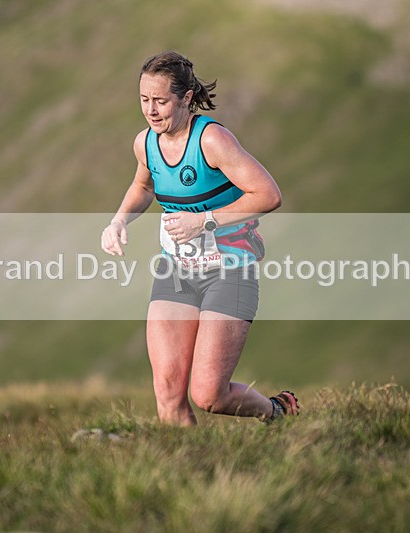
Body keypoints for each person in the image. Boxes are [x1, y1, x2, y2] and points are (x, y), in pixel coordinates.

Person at [101, 51, 299, 426]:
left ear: (186, 98)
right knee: (168, 392)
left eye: (161, 101)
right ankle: (185, 472)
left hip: (230, 271)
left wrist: (205, 222)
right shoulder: (146, 143)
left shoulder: (212, 140)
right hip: (176, 271)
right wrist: (119, 221)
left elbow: (268, 195)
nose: (151, 110)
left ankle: (277, 411)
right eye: (144, 100)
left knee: (209, 395)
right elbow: (143, 185)